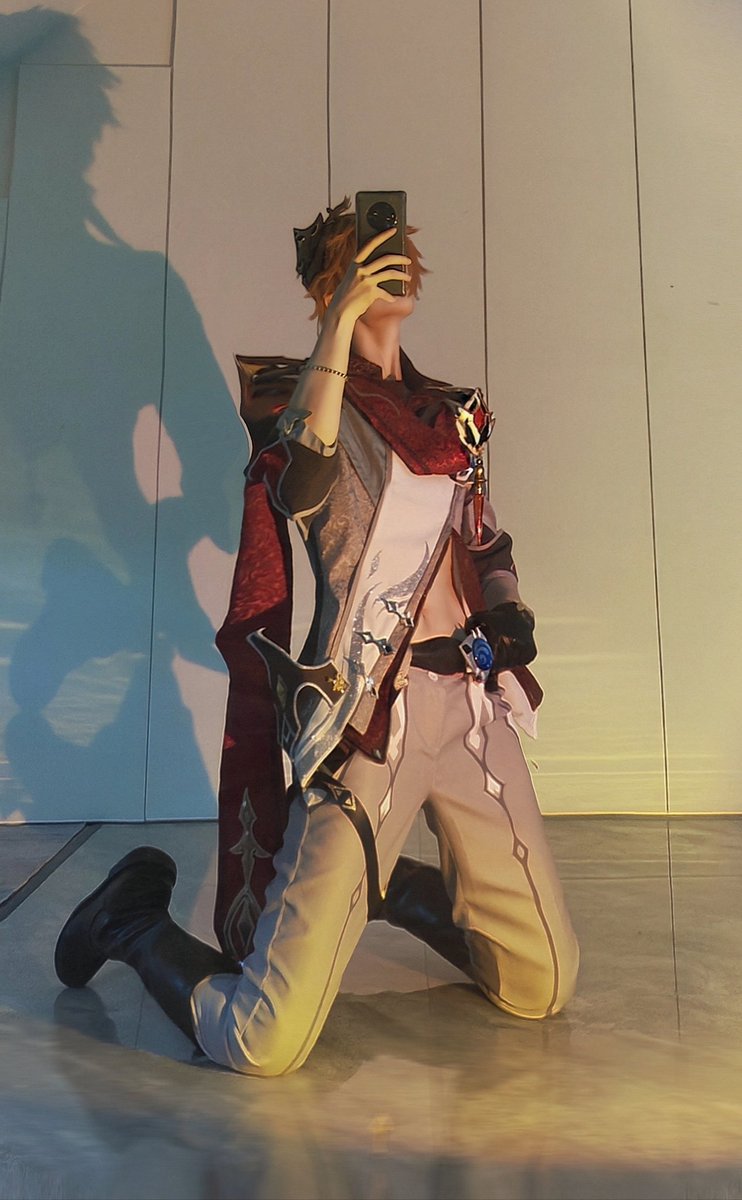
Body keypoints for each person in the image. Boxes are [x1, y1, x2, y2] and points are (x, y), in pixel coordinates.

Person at [55, 199, 579, 1076]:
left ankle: (385, 885)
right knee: (263, 1040)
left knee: (542, 985)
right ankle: (133, 921)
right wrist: (337, 327)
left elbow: (485, 537)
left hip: (473, 711)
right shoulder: (289, 396)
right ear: (330, 278)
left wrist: (507, 605)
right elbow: (299, 481)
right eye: (370, 250)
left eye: (399, 247)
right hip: (373, 719)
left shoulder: (451, 411)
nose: (393, 260)